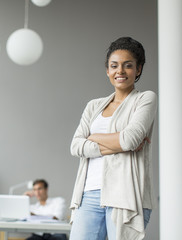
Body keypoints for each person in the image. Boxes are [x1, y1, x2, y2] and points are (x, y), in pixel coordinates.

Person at [69, 37, 157, 240]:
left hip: (125, 194)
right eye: (114, 66)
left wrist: (92, 138)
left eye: (128, 66)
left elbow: (129, 140)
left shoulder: (145, 99)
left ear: (139, 69)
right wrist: (119, 143)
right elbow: (75, 145)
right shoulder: (94, 105)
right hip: (89, 194)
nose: (120, 71)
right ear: (107, 70)